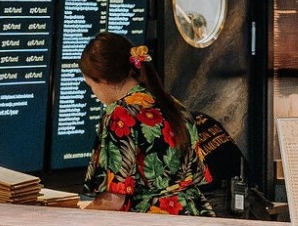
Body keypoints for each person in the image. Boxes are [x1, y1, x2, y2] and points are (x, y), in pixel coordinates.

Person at [78, 33, 212, 216]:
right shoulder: (172, 104)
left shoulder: (120, 115)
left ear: (104, 80)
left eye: (91, 85)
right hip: (193, 215)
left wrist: (76, 217)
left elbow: (113, 201)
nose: (94, 93)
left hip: (151, 222)